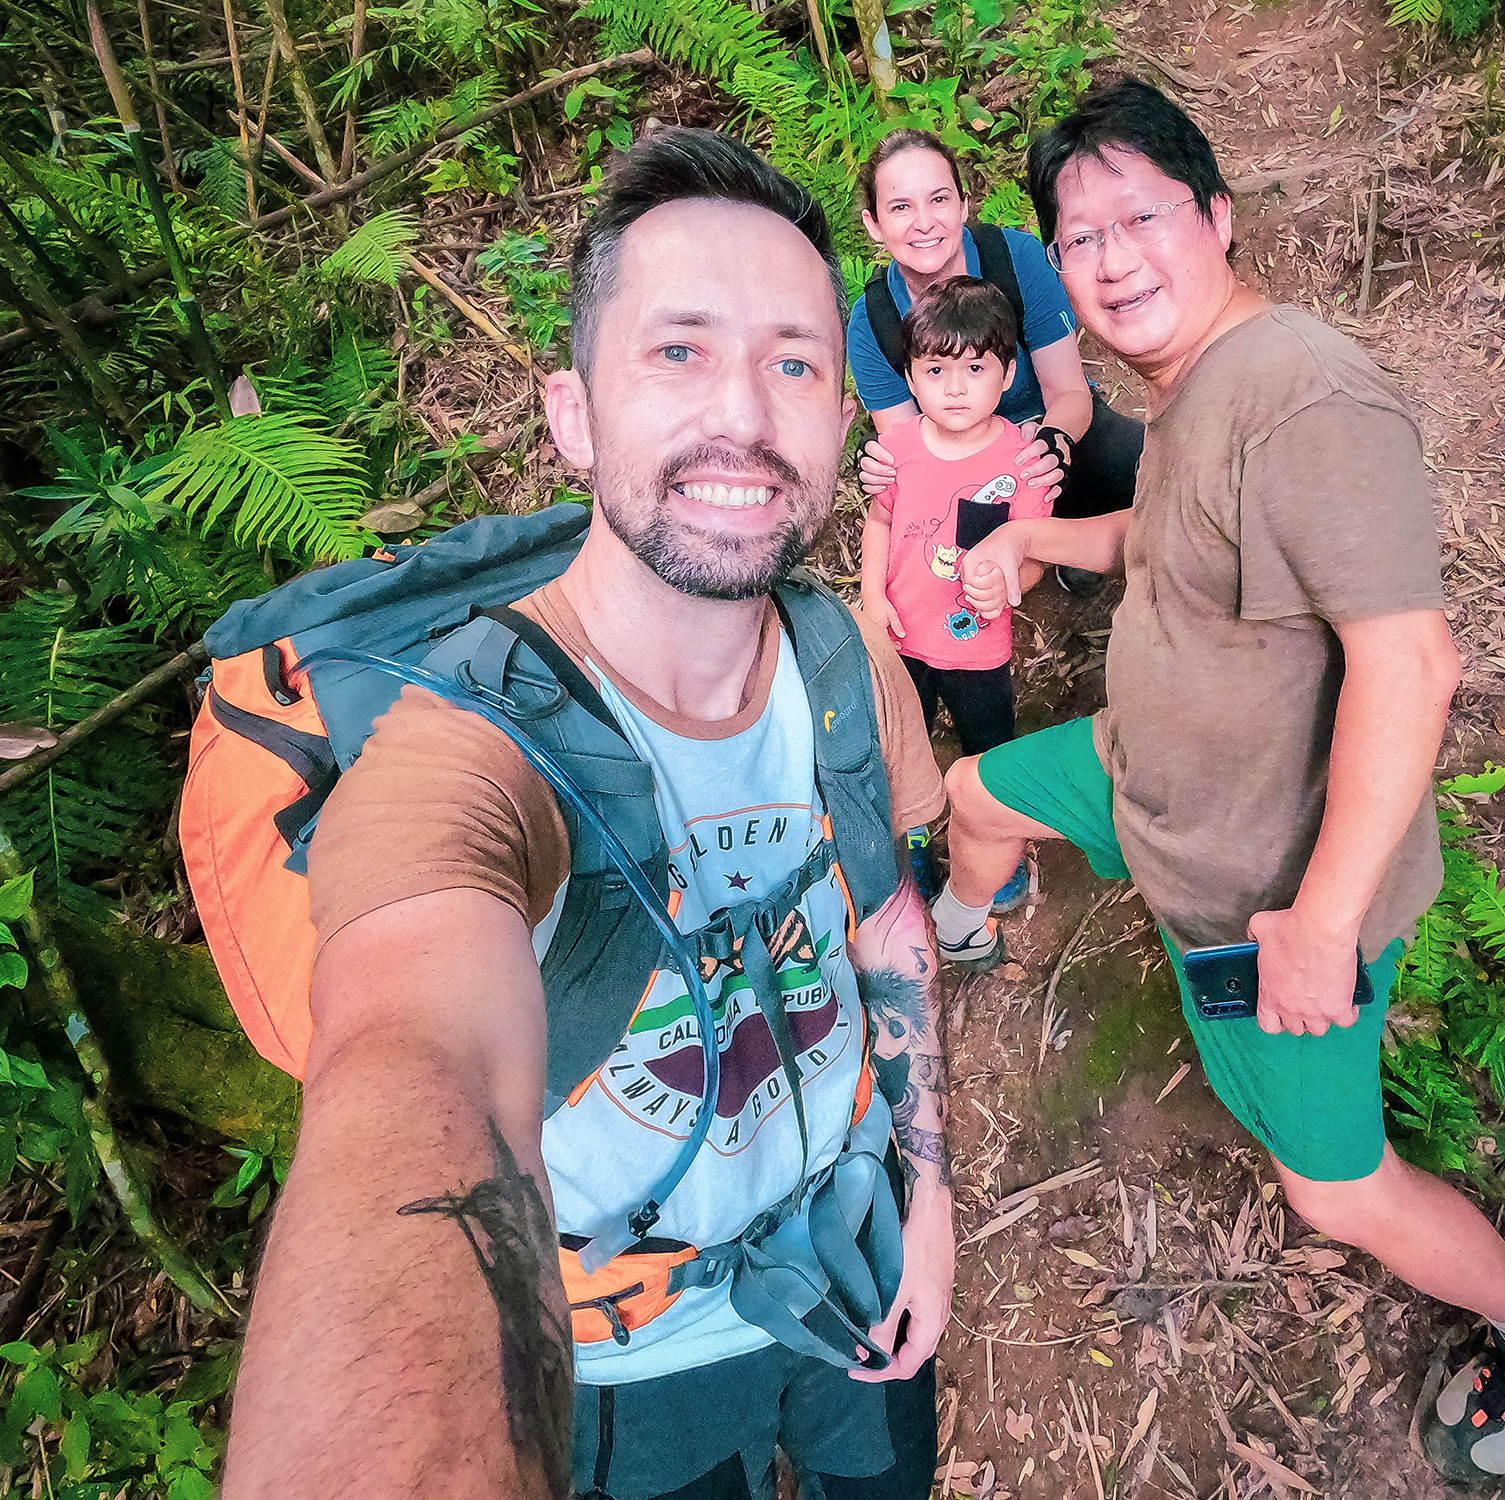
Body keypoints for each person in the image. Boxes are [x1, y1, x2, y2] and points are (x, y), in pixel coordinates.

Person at [222, 131, 954, 1500]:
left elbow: (890, 924)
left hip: (854, 1246)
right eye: (678, 351)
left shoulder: (845, 661)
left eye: (795, 363)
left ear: (841, 419)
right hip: (623, 1360)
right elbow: (416, 1065)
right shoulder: (469, 751)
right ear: (573, 414)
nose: (743, 412)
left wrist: (932, 1200)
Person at [934, 79, 1505, 1482]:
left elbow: (1412, 662)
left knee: (1334, 1189)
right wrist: (1031, 542)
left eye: (1141, 217)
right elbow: (1166, 540)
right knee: (979, 796)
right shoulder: (1197, 387)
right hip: (1144, 779)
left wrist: (1320, 924)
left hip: (1260, 891)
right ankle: (963, 930)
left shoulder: (1304, 397)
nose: (1112, 258)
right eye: (1079, 236)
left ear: (1218, 216)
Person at [846, 127, 1144, 589]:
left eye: (939, 200)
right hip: (963, 475)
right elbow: (912, 454)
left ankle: (1075, 538)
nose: (924, 222)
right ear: (874, 224)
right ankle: (1044, 555)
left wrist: (1051, 442)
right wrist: (882, 462)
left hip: (1051, 435)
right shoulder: (874, 323)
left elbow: (1069, 392)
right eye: (901, 207)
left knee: (1161, 474)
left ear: (964, 205)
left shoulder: (1016, 260)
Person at [860, 276, 1052, 913]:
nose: (955, 388)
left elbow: (1033, 554)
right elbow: (880, 521)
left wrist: (1009, 587)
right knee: (905, 742)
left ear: (1008, 373)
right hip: (902, 636)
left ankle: (998, 847)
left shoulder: (1023, 460)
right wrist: (872, 597)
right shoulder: (897, 450)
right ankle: (914, 840)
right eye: (936, 370)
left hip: (977, 645)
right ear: (910, 379)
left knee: (988, 744)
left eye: (975, 368)